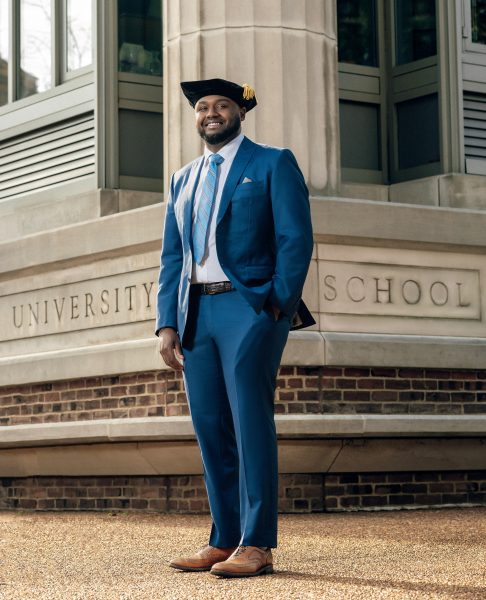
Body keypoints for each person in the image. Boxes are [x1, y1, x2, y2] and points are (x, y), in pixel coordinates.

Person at [156, 78, 314, 578]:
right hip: (196, 313)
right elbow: (171, 257)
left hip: (250, 309)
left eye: (221, 105)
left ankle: (258, 542)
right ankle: (223, 538)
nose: (210, 113)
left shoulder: (271, 162)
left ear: (240, 111)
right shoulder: (183, 179)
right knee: (209, 427)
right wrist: (166, 323)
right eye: (202, 107)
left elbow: (295, 238)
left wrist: (275, 307)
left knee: (249, 421)